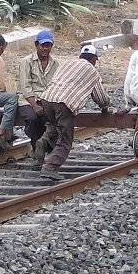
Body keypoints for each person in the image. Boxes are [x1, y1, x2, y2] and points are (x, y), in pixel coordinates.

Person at [38, 45, 110, 180]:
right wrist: (105, 106)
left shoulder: (68, 63)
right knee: (66, 139)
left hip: (47, 99)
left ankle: (44, 141)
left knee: (54, 126)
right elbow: (100, 98)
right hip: (64, 103)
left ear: (80, 56)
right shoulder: (92, 71)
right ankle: (50, 167)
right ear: (94, 59)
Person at [16, 29, 59, 163]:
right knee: (33, 118)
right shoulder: (26, 61)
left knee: (54, 119)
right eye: (43, 45)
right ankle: (36, 149)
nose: (45, 48)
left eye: (48, 45)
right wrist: (34, 105)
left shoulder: (55, 64)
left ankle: (47, 148)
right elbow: (25, 86)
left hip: (46, 99)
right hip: (27, 100)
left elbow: (56, 84)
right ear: (36, 45)